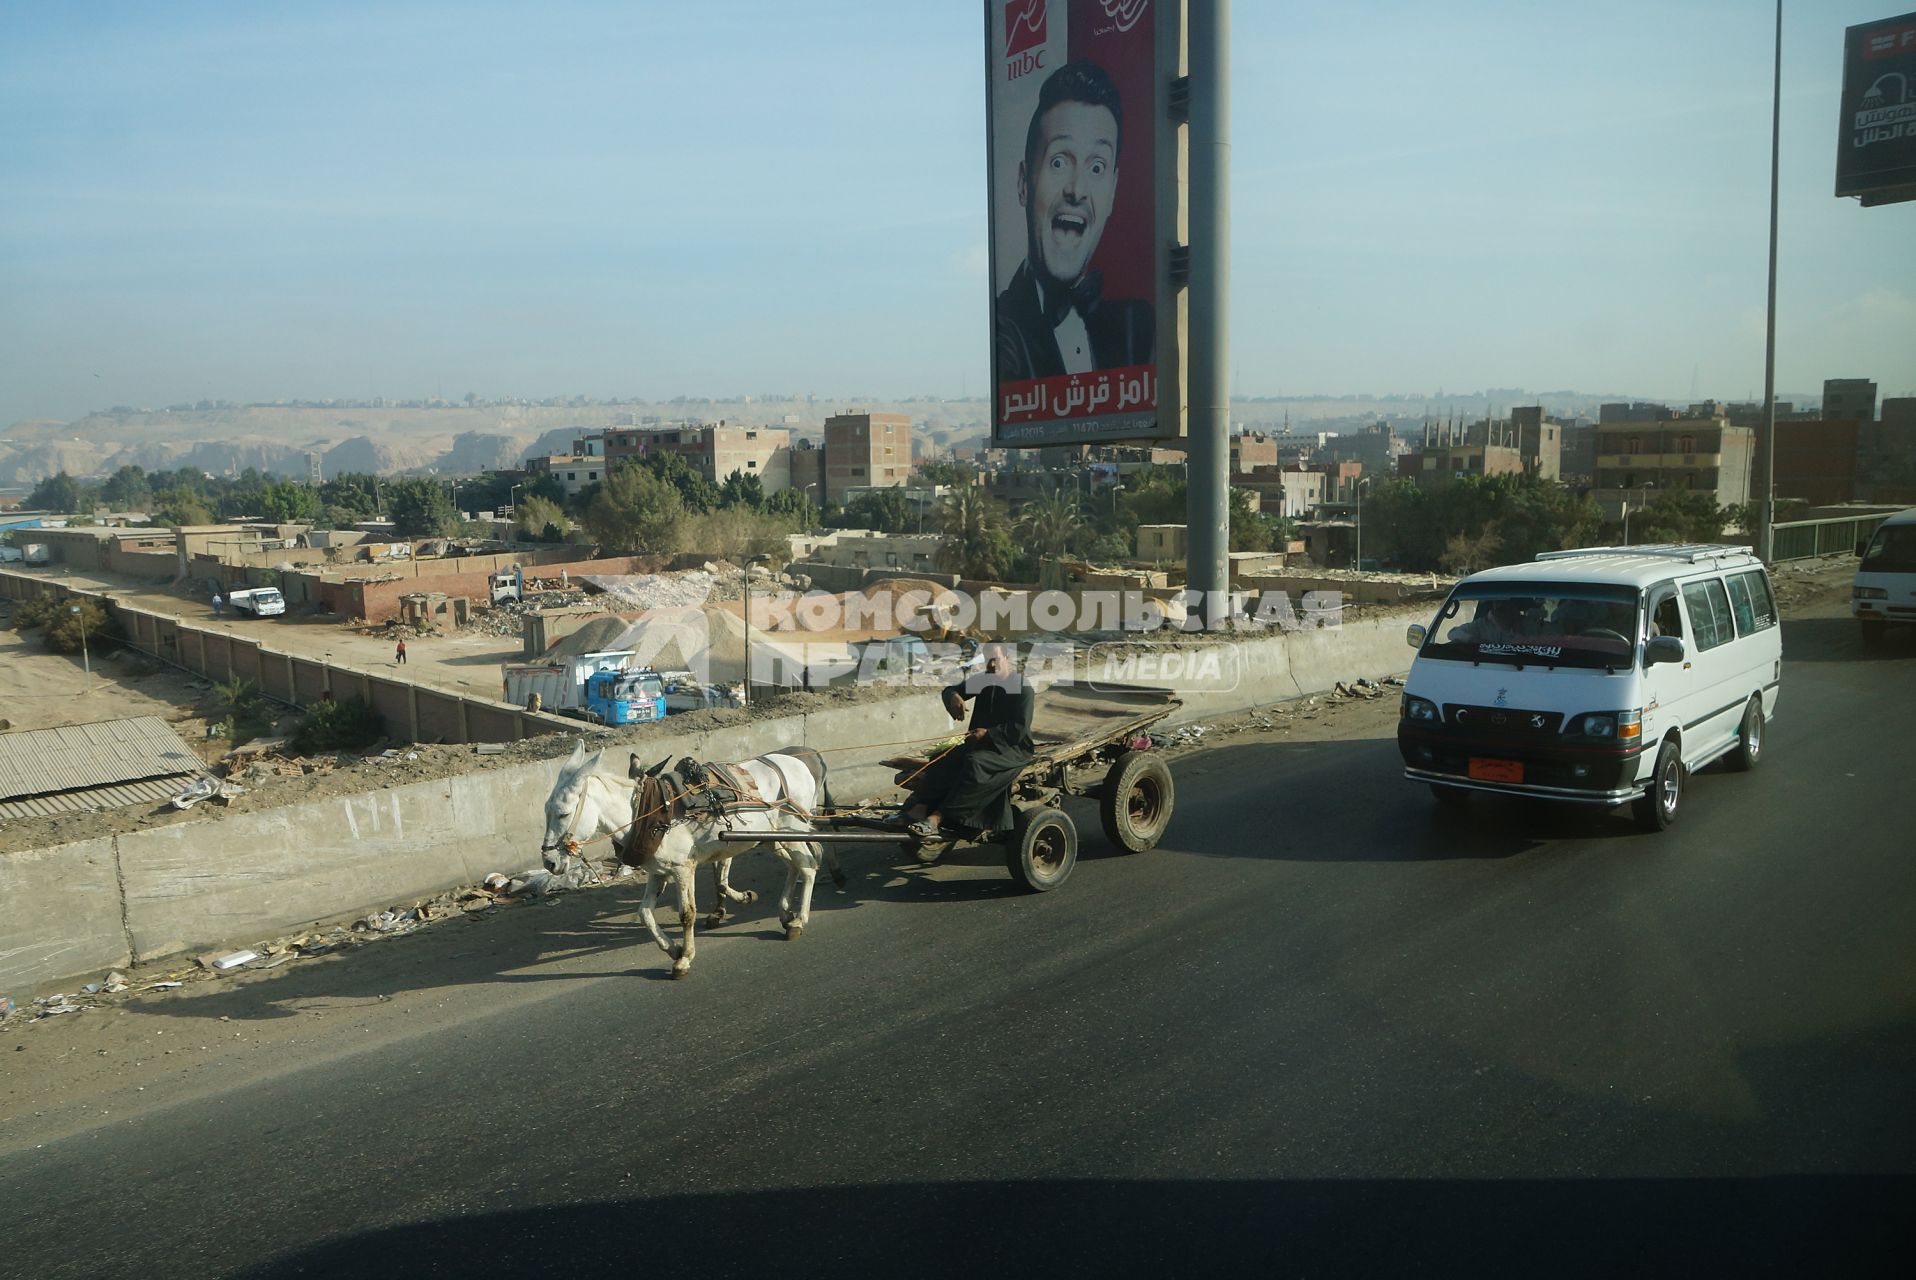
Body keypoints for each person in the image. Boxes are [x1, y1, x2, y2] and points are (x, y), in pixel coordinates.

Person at [994, 59, 1153, 382]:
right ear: (1024, 183)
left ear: (1112, 190)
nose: (1077, 189)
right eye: (1058, 162)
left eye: (1096, 168)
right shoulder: (1004, 330)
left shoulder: (1138, 328)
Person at [903, 643, 1035, 841]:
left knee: (974, 763)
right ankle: (920, 807)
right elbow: (950, 690)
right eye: (988, 660)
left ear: (1007, 658)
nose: (991, 665)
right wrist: (953, 696)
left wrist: (988, 734)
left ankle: (938, 817)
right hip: (979, 744)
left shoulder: (1023, 688)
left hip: (1011, 749)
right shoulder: (983, 681)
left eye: (996, 659)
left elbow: (1019, 729)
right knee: (941, 757)